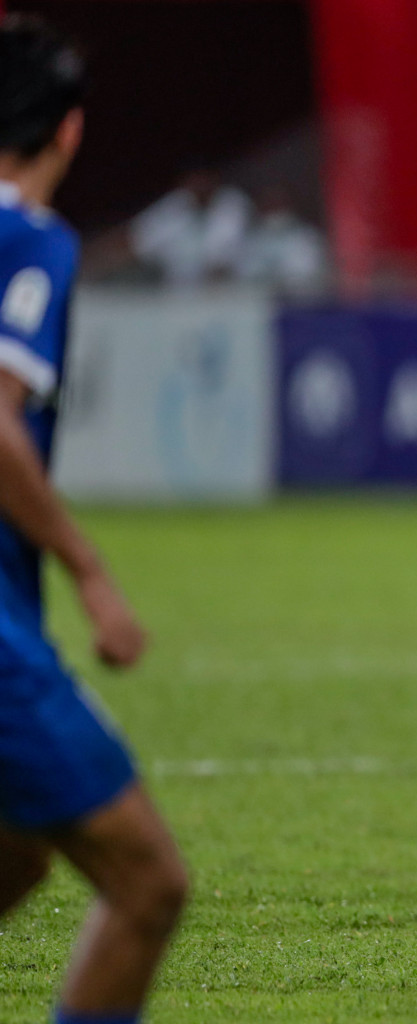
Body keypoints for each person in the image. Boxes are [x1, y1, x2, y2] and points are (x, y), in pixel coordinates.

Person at [0, 16, 189, 1024]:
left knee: (21, 850)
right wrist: (90, 569)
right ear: (68, 132)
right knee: (148, 880)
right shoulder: (28, 239)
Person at [128, 162, 252, 287]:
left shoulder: (233, 203)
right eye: (194, 181)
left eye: (203, 180)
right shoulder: (174, 204)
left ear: (213, 180)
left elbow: (226, 252)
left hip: (230, 285)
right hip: (178, 288)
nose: (200, 185)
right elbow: (143, 243)